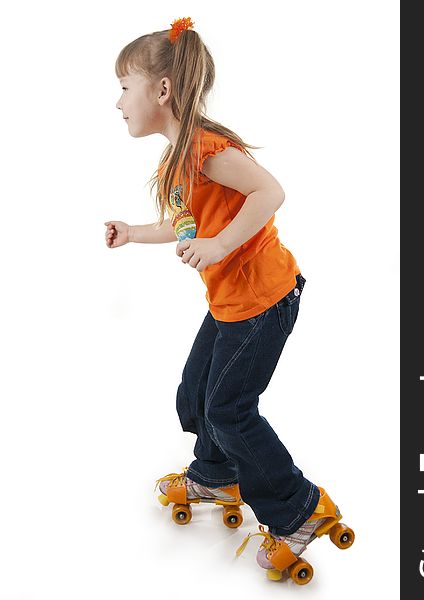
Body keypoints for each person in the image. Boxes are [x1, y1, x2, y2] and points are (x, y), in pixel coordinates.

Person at [105, 17, 354, 585]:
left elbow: (271, 192)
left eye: (124, 85)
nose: (117, 100)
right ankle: (217, 475)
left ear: (161, 91)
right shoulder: (178, 159)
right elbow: (185, 224)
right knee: (196, 396)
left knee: (229, 409)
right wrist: (134, 233)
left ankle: (299, 508)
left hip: (265, 300)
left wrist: (220, 243)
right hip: (230, 303)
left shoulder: (209, 150)